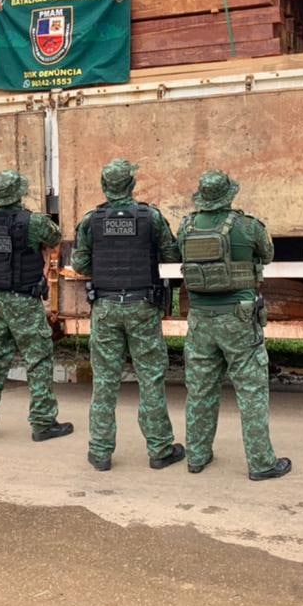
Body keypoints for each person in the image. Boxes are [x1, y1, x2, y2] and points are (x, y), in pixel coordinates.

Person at [72, 159, 185, 472]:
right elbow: (172, 256)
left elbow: (81, 264)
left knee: (105, 381)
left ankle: (99, 452)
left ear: (105, 187)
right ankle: (160, 449)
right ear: (132, 186)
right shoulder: (151, 217)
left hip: (106, 308)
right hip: (142, 306)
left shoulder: (91, 220)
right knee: (151, 377)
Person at [177, 171, 291, 480]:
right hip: (238, 319)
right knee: (251, 390)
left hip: (200, 320)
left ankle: (197, 457)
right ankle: (261, 463)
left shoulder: (185, 227)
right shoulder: (247, 226)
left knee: (199, 390)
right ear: (229, 196)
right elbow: (267, 254)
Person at [0, 170, 73, 443]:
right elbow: (55, 237)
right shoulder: (33, 222)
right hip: (24, 302)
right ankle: (43, 423)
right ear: (18, 193)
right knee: (38, 360)